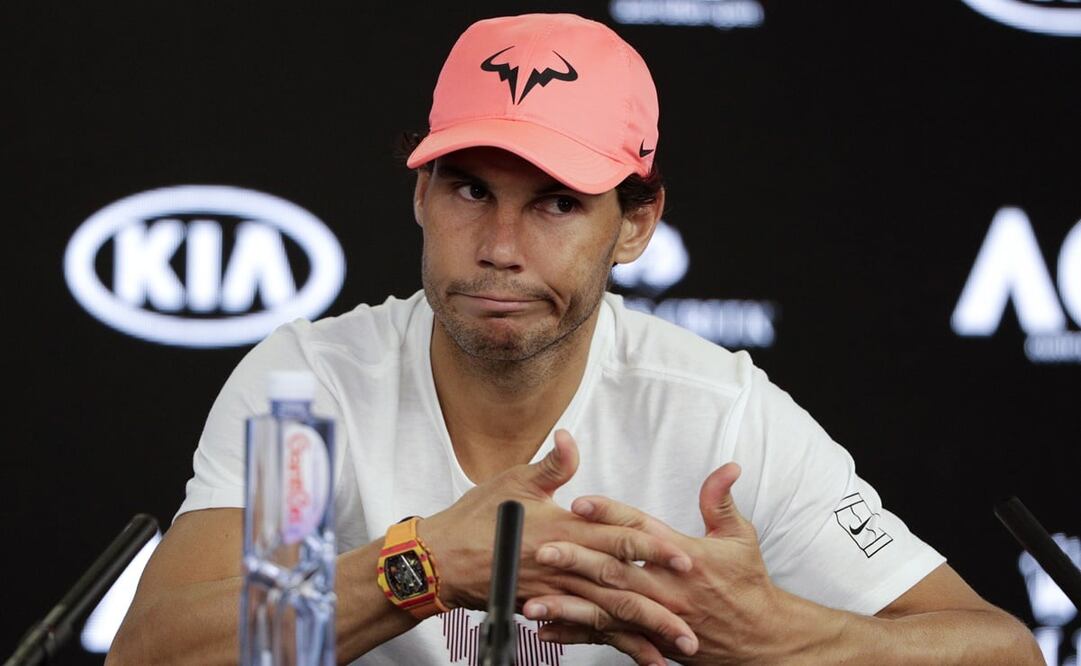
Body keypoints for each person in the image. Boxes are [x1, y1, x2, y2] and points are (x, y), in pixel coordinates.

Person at [107, 13, 1042, 665]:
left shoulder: (715, 417)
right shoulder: (312, 391)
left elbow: (1001, 654)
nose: (500, 247)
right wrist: (423, 567)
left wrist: (771, 636)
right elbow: (153, 657)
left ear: (634, 224)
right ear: (421, 195)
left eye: (556, 203)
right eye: (470, 189)